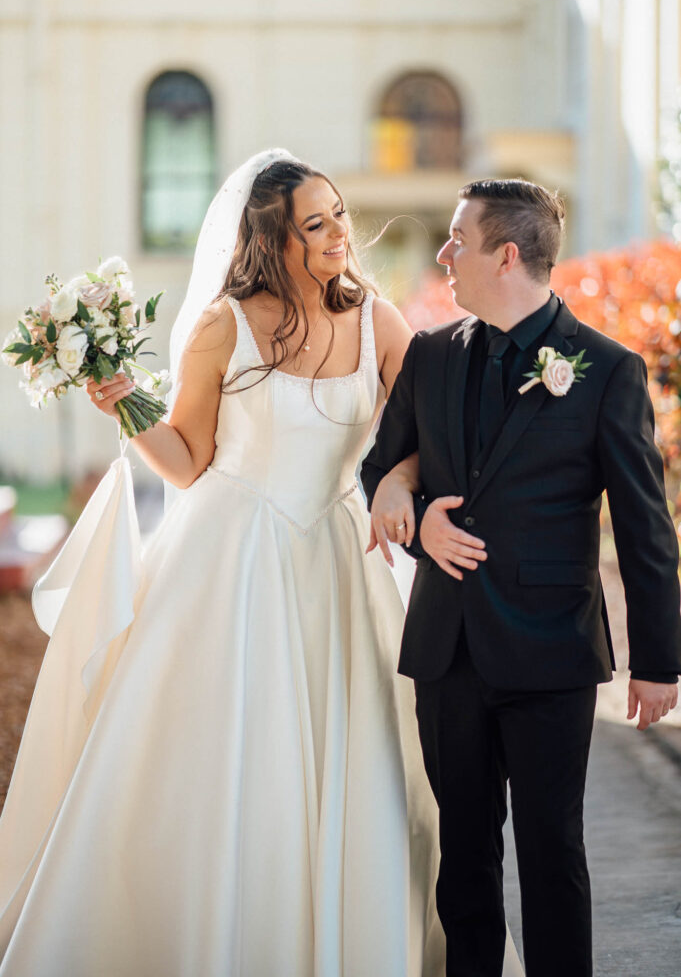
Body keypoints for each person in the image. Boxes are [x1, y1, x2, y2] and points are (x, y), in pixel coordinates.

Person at [0, 151, 527, 976]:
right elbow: (185, 460)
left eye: (338, 215)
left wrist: (399, 478)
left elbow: (429, 433)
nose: (336, 235)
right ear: (269, 239)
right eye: (312, 225)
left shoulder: (377, 321)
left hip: (338, 561)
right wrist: (122, 403)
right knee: (223, 769)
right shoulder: (222, 325)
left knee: (363, 769)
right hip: (229, 564)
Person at [361, 178, 681, 977]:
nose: (443, 255)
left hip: (551, 653)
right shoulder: (430, 356)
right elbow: (377, 466)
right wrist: (411, 504)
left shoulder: (606, 371)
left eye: (455, 240)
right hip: (446, 650)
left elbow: (645, 527)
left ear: (505, 255)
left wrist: (657, 661)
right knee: (462, 857)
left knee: (551, 853)